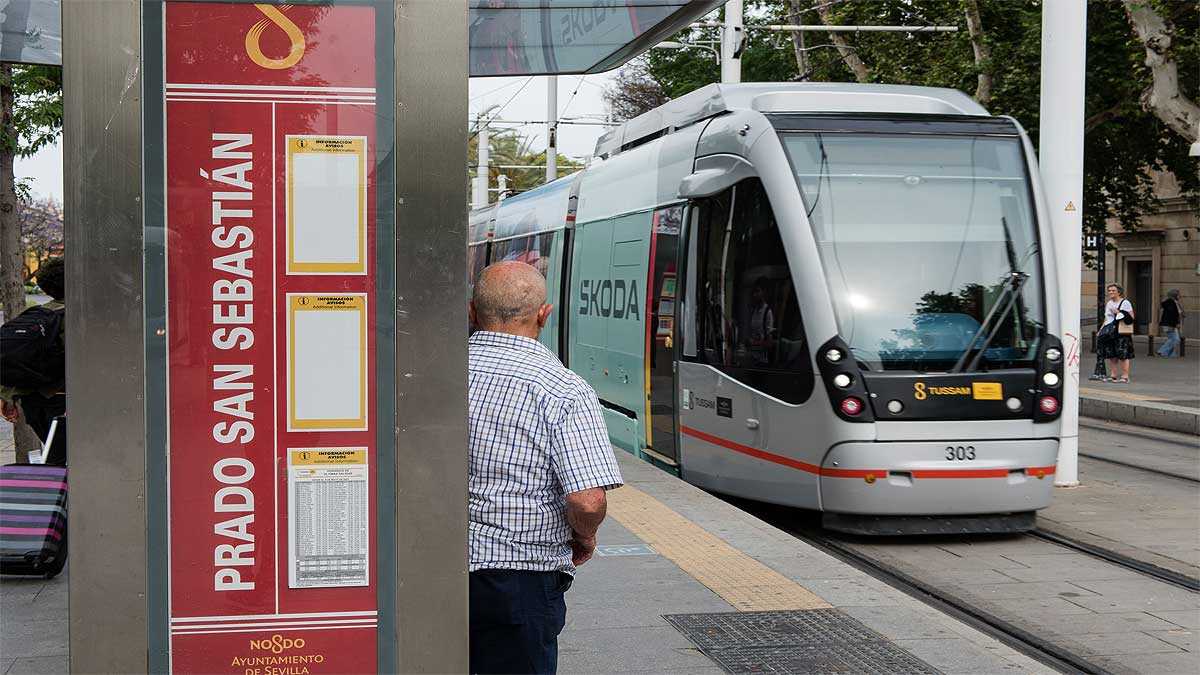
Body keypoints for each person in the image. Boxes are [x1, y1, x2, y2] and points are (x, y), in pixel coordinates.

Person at [467, 261, 623, 675]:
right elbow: (587, 501)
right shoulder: (563, 389)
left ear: (471, 312)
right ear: (543, 314)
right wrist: (584, 535)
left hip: (429, 569)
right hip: (520, 579)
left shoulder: (432, 376)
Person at [2, 257, 66, 446]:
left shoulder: (38, 314)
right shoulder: (80, 316)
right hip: (63, 400)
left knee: (55, 455)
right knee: (69, 457)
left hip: (32, 402)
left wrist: (6, 395)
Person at [1098, 283, 1135, 383]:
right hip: (1110, 331)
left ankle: (1125, 376)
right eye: (1109, 291)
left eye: (1113, 290)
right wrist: (1101, 330)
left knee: (1123, 355)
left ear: (1119, 292)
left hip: (1121, 332)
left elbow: (1131, 317)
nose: (1111, 292)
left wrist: (1119, 312)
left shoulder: (1125, 303)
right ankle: (1113, 375)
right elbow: (1107, 318)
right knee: (1112, 355)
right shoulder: (1109, 303)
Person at [1156, 289, 1184, 358]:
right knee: (1175, 339)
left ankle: (1171, 354)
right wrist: (1176, 323)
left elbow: (1178, 312)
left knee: (1173, 338)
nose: (1179, 296)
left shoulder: (1174, 303)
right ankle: (1161, 351)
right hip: (1170, 324)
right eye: (1178, 295)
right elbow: (1172, 315)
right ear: (1175, 296)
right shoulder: (1171, 304)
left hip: (1171, 324)